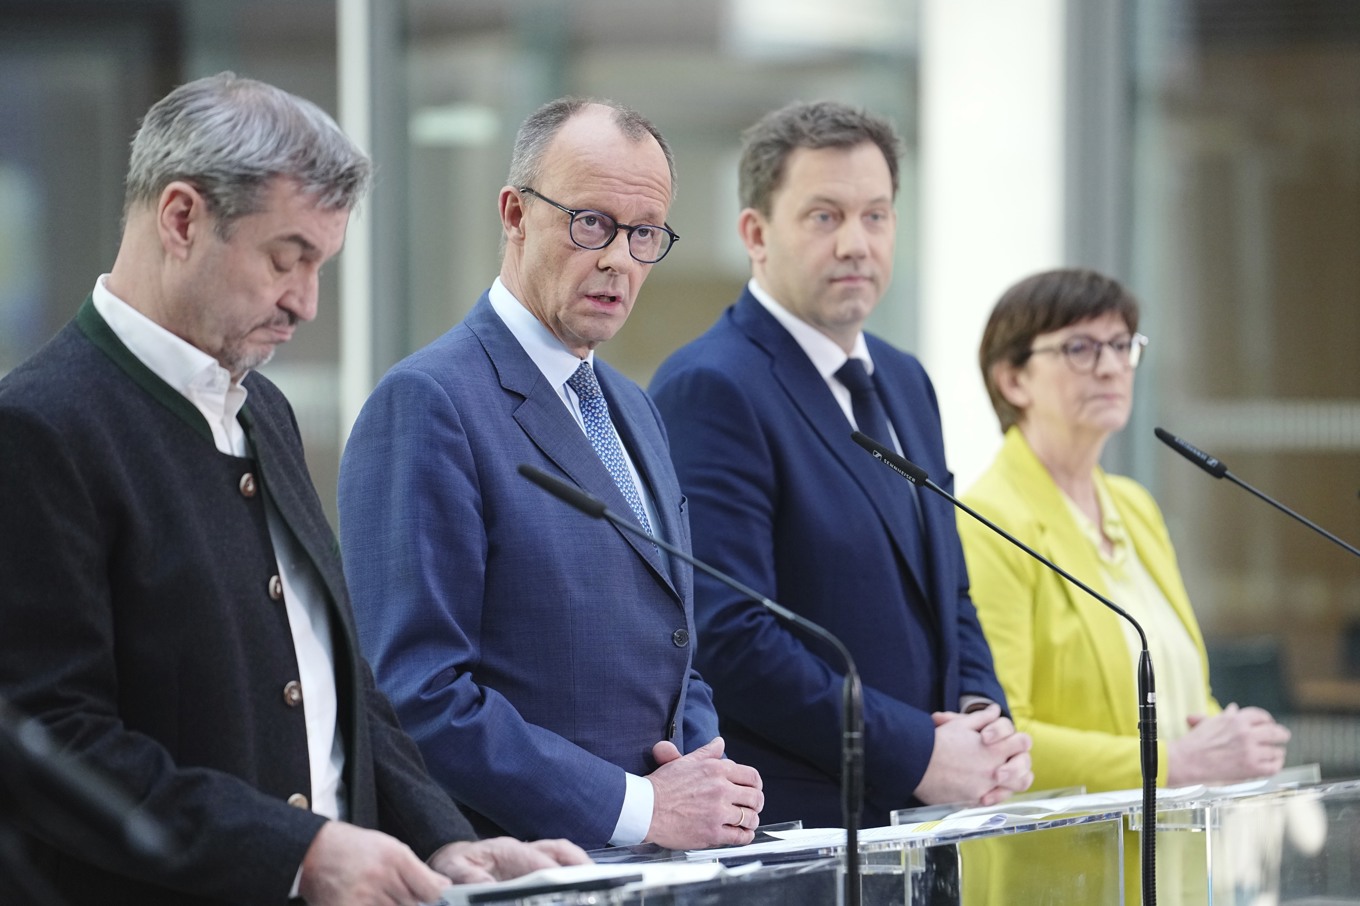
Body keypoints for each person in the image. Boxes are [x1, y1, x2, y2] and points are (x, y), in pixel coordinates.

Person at [0, 73, 587, 906]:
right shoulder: (37, 428)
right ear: (181, 218)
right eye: (288, 257)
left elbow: (338, 677)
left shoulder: (261, 406)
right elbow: (51, 745)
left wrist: (448, 842)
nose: (307, 302)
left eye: (322, 264)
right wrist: (297, 852)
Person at [337, 97, 764, 851]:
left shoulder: (634, 408)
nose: (618, 260)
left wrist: (707, 776)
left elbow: (673, 647)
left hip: (662, 873)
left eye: (643, 235)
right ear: (513, 213)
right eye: (590, 223)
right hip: (519, 869)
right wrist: (639, 807)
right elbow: (415, 694)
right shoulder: (430, 402)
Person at [648, 100, 1033, 830]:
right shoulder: (713, 386)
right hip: (804, 833)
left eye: (877, 216)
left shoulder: (906, 380)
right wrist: (920, 751)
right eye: (825, 217)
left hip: (925, 827)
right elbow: (731, 635)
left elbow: (949, 590)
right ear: (755, 234)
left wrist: (982, 719)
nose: (857, 243)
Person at [958, 266, 1291, 900]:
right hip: (1060, 876)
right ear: (1013, 379)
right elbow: (1006, 732)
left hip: (1176, 867)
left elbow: (1178, 691)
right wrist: (1175, 763)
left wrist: (1231, 737)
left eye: (1123, 345)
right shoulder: (989, 520)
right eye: (1081, 348)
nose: (1111, 367)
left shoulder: (1134, 508)